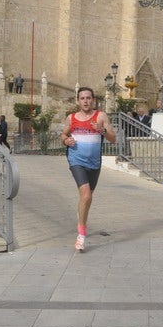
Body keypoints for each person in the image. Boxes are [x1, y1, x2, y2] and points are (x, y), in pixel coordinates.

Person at [60, 87, 116, 252]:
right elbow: (63, 134)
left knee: (87, 198)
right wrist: (66, 141)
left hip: (94, 163)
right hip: (76, 160)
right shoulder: (71, 118)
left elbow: (113, 139)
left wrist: (102, 131)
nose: (85, 101)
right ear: (78, 101)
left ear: (93, 100)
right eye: (82, 98)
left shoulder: (101, 116)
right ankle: (81, 234)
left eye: (88, 98)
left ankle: (81, 216)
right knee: (85, 195)